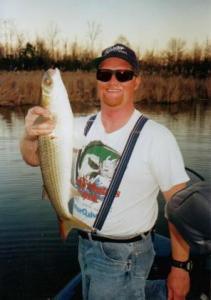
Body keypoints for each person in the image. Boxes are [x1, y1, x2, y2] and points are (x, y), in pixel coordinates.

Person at [20, 43, 191, 300]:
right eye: (104, 74)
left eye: (122, 74)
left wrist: (180, 268)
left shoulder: (157, 138)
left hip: (125, 255)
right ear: (97, 80)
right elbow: (32, 158)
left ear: (136, 82)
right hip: (86, 247)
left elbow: (180, 209)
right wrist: (30, 134)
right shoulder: (75, 127)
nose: (113, 81)